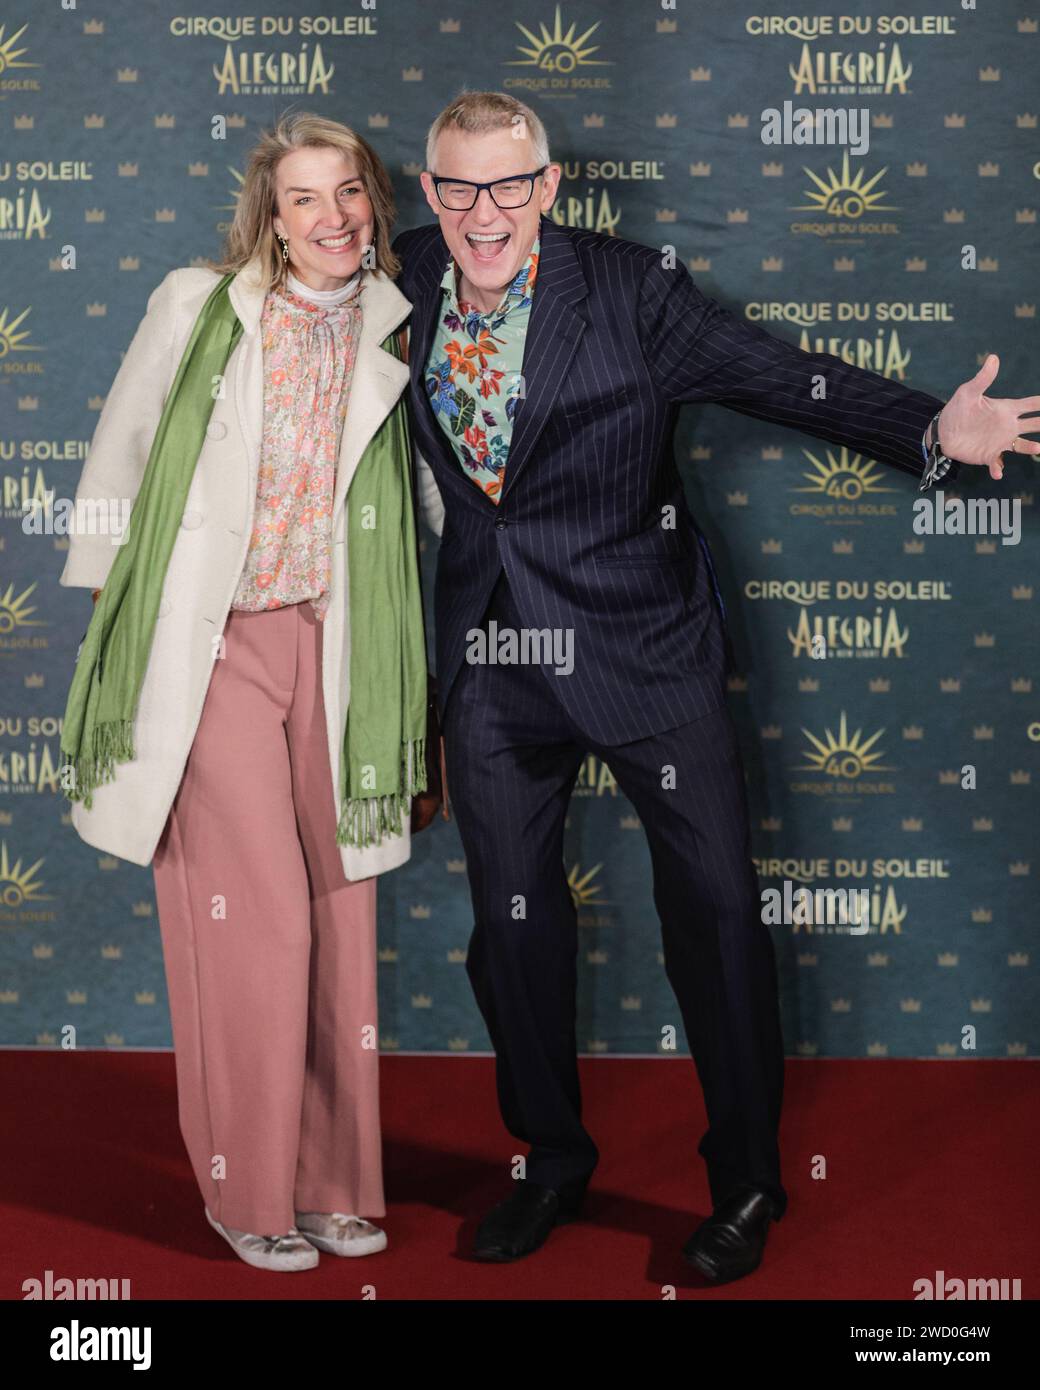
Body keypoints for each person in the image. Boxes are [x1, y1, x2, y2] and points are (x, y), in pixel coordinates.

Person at [393, 90, 1040, 1282]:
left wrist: (930, 432)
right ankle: (550, 1160)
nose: (482, 213)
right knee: (513, 932)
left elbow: (781, 377)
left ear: (546, 188)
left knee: (718, 921)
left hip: (645, 648)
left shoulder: (633, 292)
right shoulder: (397, 280)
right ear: (429, 191)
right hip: (490, 659)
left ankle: (743, 1181)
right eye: (456, 187)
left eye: (507, 185)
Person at [59, 112, 442, 1272]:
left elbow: (416, 491)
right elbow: (121, 453)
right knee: (255, 919)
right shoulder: (199, 304)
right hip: (211, 647)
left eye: (349, 194)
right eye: (303, 200)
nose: (332, 218)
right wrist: (123, 630)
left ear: (373, 203)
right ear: (267, 220)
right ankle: (246, 1189)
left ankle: (331, 1186)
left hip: (335, 649)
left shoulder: (391, 322)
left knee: (338, 908)